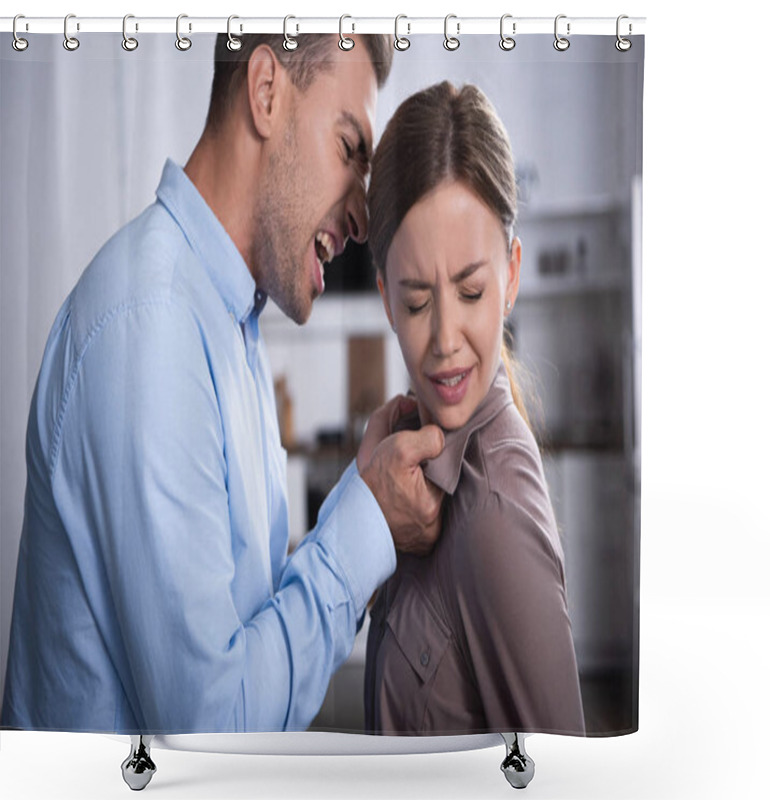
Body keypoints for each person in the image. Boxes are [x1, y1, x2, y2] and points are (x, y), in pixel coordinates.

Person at [1, 34, 445, 735]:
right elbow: (214, 731)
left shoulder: (223, 319)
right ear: (266, 92)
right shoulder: (153, 324)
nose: (362, 215)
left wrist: (360, 501)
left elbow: (238, 614)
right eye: (349, 147)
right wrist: (369, 526)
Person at [363, 81, 585, 735]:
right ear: (384, 299)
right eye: (415, 300)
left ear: (511, 276)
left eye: (470, 289)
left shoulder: (496, 508)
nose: (445, 340)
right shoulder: (403, 465)